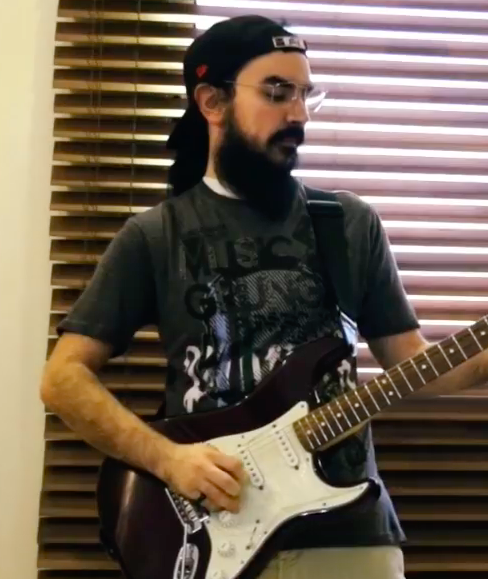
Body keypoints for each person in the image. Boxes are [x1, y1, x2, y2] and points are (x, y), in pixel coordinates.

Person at [40, 14, 486, 579]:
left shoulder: (348, 224)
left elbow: (414, 364)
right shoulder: (155, 235)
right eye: (277, 93)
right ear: (211, 101)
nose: (298, 114)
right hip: (213, 534)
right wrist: (169, 460)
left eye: (305, 94)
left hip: (349, 535)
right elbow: (63, 378)